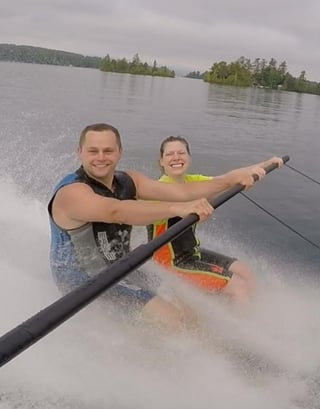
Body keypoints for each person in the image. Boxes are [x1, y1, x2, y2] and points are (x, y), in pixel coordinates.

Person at [48, 123, 273, 332]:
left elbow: (182, 192)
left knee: (188, 305)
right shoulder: (71, 193)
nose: (101, 157)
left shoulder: (128, 180)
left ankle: (215, 349)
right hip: (85, 282)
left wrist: (230, 179)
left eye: (108, 151)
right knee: (172, 319)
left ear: (119, 152)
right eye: (93, 151)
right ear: (79, 152)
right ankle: (157, 360)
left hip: (123, 266)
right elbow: (114, 211)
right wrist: (178, 209)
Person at [148, 135, 283, 305]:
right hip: (171, 262)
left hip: (192, 253)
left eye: (181, 153)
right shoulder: (156, 191)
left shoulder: (193, 181)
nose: (176, 157)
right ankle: (244, 328)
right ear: (161, 161)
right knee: (238, 286)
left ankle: (254, 313)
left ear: (189, 158)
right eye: (170, 154)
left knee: (245, 271)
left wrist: (266, 164)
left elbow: (227, 179)